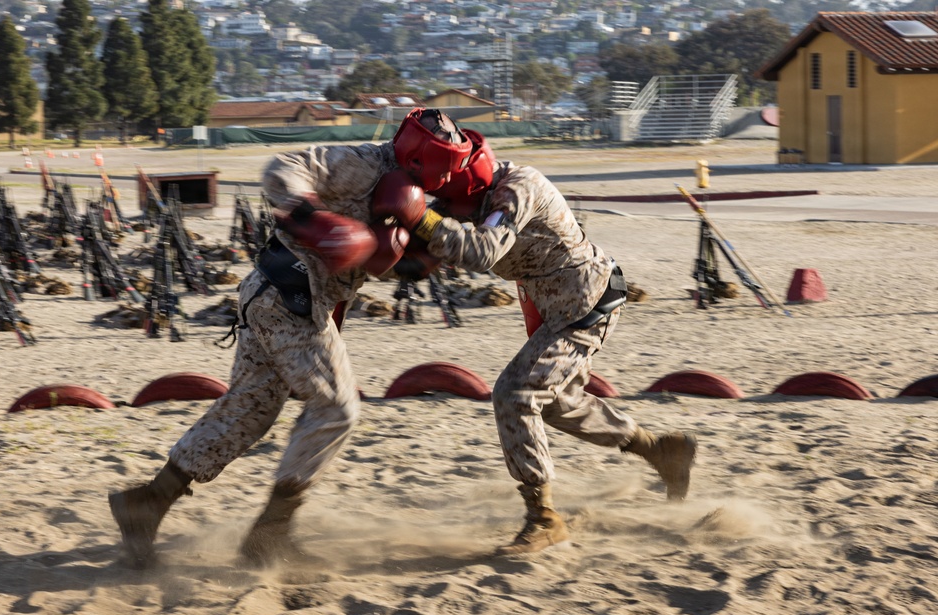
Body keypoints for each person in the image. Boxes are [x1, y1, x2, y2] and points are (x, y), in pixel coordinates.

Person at [107, 108, 473, 569]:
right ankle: (270, 534)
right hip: (288, 297)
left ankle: (146, 504)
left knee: (247, 411)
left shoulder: (417, 195)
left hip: (280, 298)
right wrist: (311, 217)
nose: (450, 170)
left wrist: (415, 255)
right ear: (423, 152)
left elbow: (395, 254)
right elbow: (280, 168)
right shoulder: (361, 162)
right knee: (336, 408)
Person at [371, 129, 699, 555]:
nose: (446, 207)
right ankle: (659, 450)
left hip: (586, 300)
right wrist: (373, 248)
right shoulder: (464, 198)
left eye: (447, 199)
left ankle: (543, 518)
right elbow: (426, 250)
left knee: (515, 393)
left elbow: (484, 250)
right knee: (559, 404)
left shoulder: (517, 189)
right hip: (550, 305)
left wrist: (423, 220)